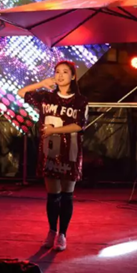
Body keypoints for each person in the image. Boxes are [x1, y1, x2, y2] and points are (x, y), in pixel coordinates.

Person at [18, 61, 89, 252]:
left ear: (73, 76)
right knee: (52, 195)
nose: (60, 75)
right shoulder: (46, 97)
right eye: (57, 72)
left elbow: (79, 125)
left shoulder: (80, 100)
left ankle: (62, 234)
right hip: (49, 152)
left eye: (65, 72)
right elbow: (21, 92)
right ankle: (51, 231)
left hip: (70, 152)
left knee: (67, 195)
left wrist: (54, 130)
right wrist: (42, 83)